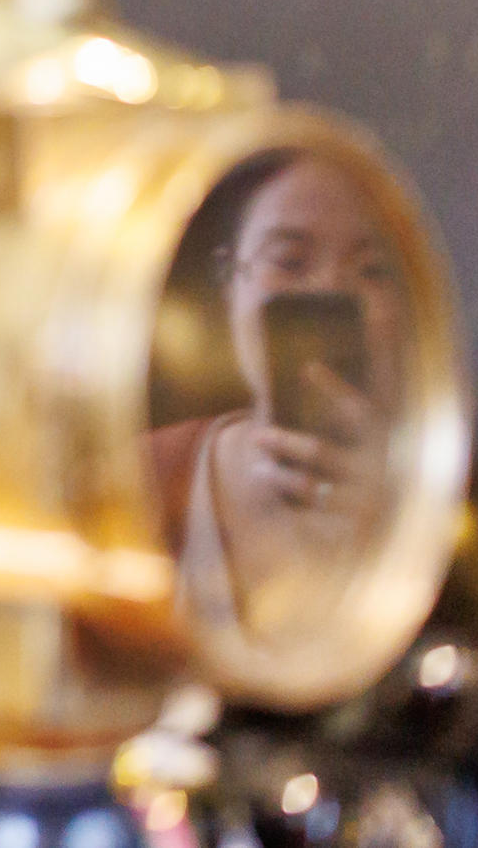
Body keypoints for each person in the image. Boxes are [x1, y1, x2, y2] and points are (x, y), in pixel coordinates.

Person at [147, 151, 403, 641]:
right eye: (287, 261)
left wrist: (393, 532)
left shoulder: (436, 504)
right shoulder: (132, 479)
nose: (328, 290)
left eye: (374, 270)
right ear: (229, 288)